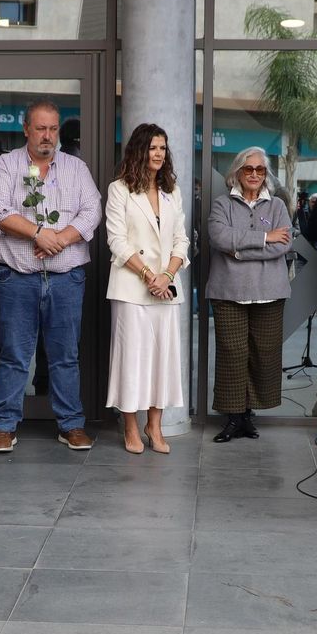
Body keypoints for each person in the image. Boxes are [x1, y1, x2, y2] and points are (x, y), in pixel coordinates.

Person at [0, 98, 102, 453]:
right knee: (14, 354)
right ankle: (5, 425)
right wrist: (37, 234)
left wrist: (60, 238)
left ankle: (71, 425)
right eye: (40, 128)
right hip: (17, 276)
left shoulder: (76, 168)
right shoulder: (5, 165)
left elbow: (92, 209)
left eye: (53, 129)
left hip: (66, 277)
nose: (47, 136)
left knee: (65, 355)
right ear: (26, 130)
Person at [105, 123, 189, 454]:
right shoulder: (119, 190)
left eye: (163, 148)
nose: (158, 154)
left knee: (162, 360)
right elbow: (117, 240)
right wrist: (148, 275)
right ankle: (130, 427)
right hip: (130, 289)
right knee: (131, 360)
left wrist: (166, 275)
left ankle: (154, 426)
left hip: (166, 289)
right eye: (153, 147)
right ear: (140, 150)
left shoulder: (173, 191)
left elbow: (181, 239)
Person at [206, 146, 293, 443]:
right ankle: (233, 418)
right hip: (228, 291)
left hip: (270, 292)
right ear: (237, 172)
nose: (255, 174)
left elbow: (284, 245)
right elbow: (219, 238)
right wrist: (264, 239)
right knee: (232, 354)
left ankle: (247, 415)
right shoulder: (221, 204)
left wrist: (239, 251)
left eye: (260, 170)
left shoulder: (278, 206)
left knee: (262, 356)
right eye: (248, 169)